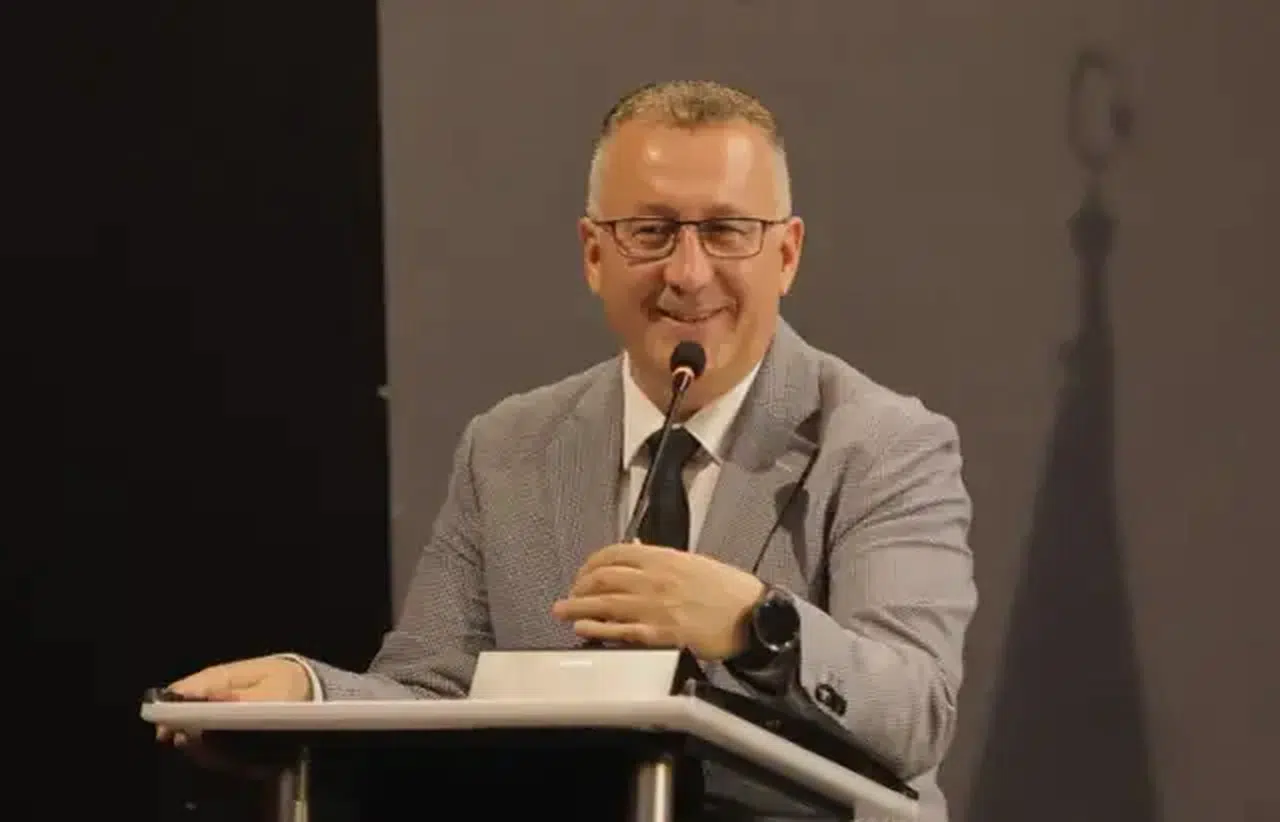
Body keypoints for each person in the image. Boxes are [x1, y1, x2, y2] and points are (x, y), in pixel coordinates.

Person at [158, 80, 977, 822]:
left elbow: (915, 712)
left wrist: (753, 625)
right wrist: (305, 692)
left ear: (786, 254)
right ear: (594, 254)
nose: (689, 273)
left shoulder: (883, 444)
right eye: (651, 232)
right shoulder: (507, 447)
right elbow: (430, 692)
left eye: (727, 231)